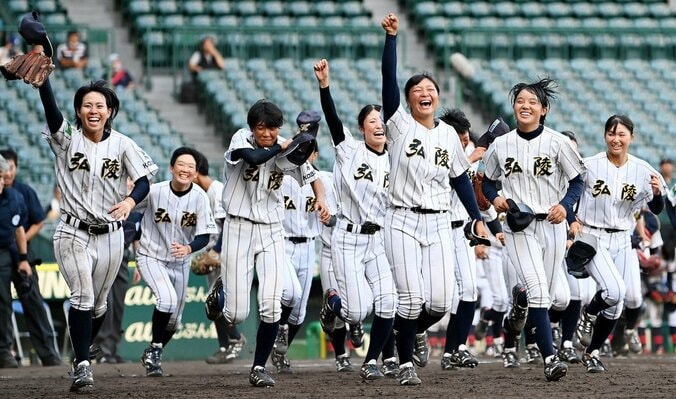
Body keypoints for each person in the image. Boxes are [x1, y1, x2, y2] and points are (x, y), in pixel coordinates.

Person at [37, 33, 158, 390]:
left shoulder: (123, 144)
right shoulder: (66, 139)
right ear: (79, 110)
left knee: (100, 304)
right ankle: (83, 365)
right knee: (83, 297)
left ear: (110, 111)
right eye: (87, 105)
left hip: (111, 235)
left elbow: (143, 182)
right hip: (72, 232)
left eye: (100, 106)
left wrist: (130, 202)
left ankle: (83, 345)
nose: (94, 111)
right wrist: (44, 81)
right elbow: (51, 111)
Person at [380, 13, 488, 386]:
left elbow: (459, 176)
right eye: (417, 90)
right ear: (408, 99)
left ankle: (403, 333)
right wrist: (392, 39)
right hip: (401, 219)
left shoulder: (447, 134)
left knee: (441, 302)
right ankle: (406, 362)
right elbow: (387, 85)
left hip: (440, 220)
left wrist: (475, 216)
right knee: (410, 298)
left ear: (438, 96)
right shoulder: (398, 124)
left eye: (430, 89)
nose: (425, 93)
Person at [204, 99, 329, 387]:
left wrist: (320, 198)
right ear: (252, 127)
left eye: (272, 128)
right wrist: (279, 147)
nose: (267, 133)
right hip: (238, 227)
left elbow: (313, 176)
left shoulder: (286, 146)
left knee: (272, 306)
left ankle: (259, 367)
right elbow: (254, 157)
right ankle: (221, 288)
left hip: (272, 230)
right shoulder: (241, 138)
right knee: (236, 314)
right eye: (262, 127)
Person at [482, 77, 585, 381]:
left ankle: (518, 312)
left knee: (547, 296)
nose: (525, 106)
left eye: (532, 102)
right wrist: (496, 197)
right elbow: (486, 180)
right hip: (519, 225)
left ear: (544, 109)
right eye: (520, 101)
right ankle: (550, 358)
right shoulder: (501, 144)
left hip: (551, 224)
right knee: (539, 289)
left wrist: (566, 206)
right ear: (513, 107)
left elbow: (578, 180)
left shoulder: (558, 142)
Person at [313, 59, 397, 380]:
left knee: (389, 302)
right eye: (371, 121)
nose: (378, 125)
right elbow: (333, 119)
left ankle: (372, 361)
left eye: (382, 121)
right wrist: (325, 85)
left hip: (377, 240)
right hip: (347, 237)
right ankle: (332, 309)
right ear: (362, 128)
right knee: (358, 310)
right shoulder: (349, 149)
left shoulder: (395, 157)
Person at [570, 115, 666, 372]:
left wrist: (656, 194)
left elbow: (656, 207)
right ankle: (589, 314)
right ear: (605, 136)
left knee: (619, 303)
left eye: (622, 134)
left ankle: (592, 352)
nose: (616, 138)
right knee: (614, 292)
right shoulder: (588, 165)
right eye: (611, 133)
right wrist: (572, 220)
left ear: (631, 138)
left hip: (623, 238)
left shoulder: (643, 170)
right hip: (593, 236)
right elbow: (567, 194)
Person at [136, 147, 217, 377]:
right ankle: (155, 350)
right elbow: (133, 210)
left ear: (195, 172)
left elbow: (205, 234)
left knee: (174, 322)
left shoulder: (200, 197)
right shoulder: (155, 192)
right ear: (171, 168)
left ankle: (153, 351)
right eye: (181, 165)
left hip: (180, 261)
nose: (186, 170)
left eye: (191, 167)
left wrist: (190, 248)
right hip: (151, 255)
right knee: (167, 299)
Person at [0, 148, 62, 366]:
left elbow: (38, 221)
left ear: (16, 168)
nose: (6, 173)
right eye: (3, 168)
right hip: (3, 253)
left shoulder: (23, 192)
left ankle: (49, 355)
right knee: (3, 302)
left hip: (23, 252)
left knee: (34, 300)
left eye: (10, 168)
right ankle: (5, 353)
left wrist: (21, 244)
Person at [192, 152, 246, 365]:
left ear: (197, 173)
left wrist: (217, 251)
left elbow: (228, 225)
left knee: (221, 300)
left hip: (223, 255)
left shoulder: (217, 191)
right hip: (214, 254)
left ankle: (235, 339)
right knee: (213, 302)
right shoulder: (204, 193)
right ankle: (224, 346)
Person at [92, 178, 142, 364]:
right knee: (106, 302)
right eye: (127, 179)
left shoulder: (135, 210)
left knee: (118, 305)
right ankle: (101, 350)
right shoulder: (108, 201)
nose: (130, 184)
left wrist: (138, 262)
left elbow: (137, 236)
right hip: (105, 252)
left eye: (133, 181)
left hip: (124, 256)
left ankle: (112, 349)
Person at [0, 154, 32, 368]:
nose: (2, 181)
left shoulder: (13, 198)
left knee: (3, 301)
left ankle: (3, 351)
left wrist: (23, 259)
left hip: (3, 252)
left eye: (1, 177)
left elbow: (19, 229)